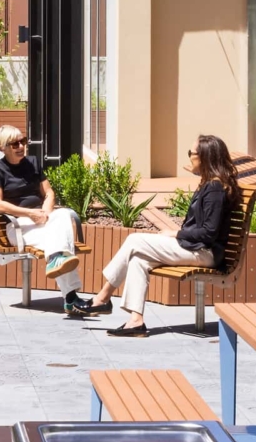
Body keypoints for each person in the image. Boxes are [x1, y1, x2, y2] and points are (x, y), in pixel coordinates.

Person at [67, 135, 239, 338]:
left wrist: (175, 233)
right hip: (195, 247)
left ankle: (103, 298)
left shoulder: (215, 189)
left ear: (205, 157)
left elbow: (209, 232)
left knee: (135, 240)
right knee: (139, 260)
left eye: (191, 154)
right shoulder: (210, 185)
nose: (189, 158)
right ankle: (136, 321)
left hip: (204, 252)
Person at [0, 125, 80, 282]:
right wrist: (29, 213)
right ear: (3, 148)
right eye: (15, 144)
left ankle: (55, 261)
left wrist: (45, 213)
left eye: (23, 141)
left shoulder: (32, 163)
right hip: (18, 226)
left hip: (41, 219)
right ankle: (71, 297)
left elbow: (48, 193)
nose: (21, 146)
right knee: (61, 245)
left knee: (63, 213)